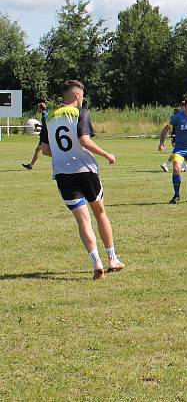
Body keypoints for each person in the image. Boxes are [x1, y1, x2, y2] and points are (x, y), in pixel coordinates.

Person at [39, 80, 124, 280]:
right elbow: (85, 140)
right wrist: (107, 155)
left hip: (63, 174)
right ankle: (112, 259)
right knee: (100, 213)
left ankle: (96, 262)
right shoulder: (81, 112)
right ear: (77, 96)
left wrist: (63, 155)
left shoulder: (49, 117)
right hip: (86, 171)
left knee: (82, 220)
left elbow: (45, 150)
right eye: (82, 96)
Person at [22, 102, 48, 170]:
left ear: (40, 108)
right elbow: (45, 126)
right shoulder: (44, 114)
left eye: (38, 108)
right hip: (45, 136)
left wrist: (39, 130)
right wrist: (39, 126)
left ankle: (64, 160)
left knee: (47, 151)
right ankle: (30, 165)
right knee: (38, 150)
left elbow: (46, 128)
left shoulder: (44, 116)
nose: (37, 109)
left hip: (45, 136)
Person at [161, 106, 182, 172]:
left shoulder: (174, 116)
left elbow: (170, 127)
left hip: (174, 135)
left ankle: (184, 166)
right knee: (177, 152)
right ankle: (166, 163)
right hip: (176, 136)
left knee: (177, 151)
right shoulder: (178, 116)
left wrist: (170, 132)